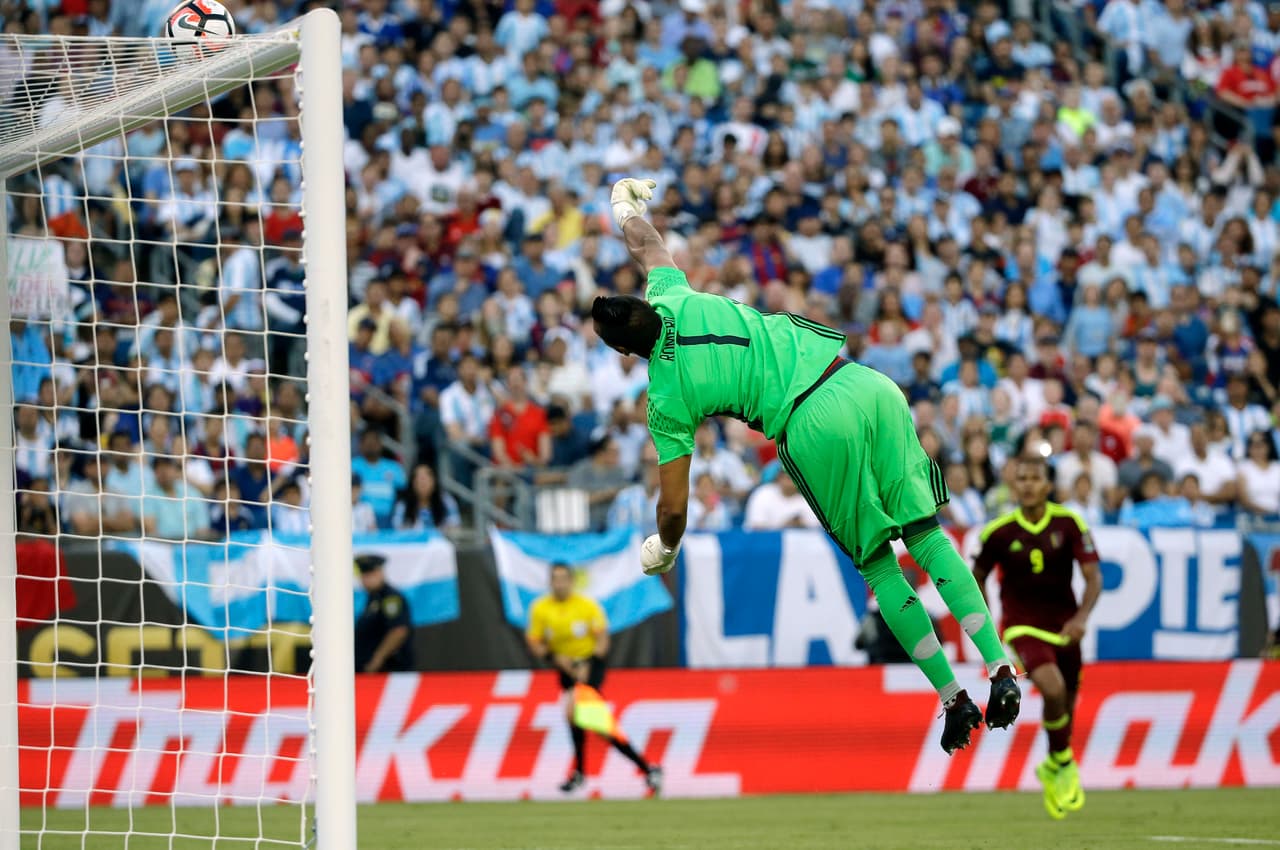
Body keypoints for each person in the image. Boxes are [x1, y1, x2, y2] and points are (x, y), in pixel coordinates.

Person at [596, 178, 1019, 756]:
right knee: (926, 535)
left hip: (811, 424)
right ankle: (998, 667)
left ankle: (952, 698)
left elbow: (672, 506)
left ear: (625, 352)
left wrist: (665, 548)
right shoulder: (675, 293)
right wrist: (624, 205)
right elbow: (647, 245)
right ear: (648, 302)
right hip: (863, 382)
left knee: (878, 567)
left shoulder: (665, 395)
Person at [972, 456, 1101, 820]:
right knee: (1053, 688)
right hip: (1021, 625)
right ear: (1014, 486)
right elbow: (974, 578)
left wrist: (1081, 617)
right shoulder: (997, 532)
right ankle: (1062, 760)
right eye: (1022, 478)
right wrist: (985, 623)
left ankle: (1053, 765)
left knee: (1066, 704)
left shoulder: (1069, 523)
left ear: (1047, 485)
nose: (1028, 484)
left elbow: (1093, 577)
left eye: (1035, 478)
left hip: (1064, 625)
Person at [524, 563, 662, 795]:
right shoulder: (540, 608)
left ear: (571, 581)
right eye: (555, 579)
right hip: (564, 667)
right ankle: (648, 769)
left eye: (563, 579)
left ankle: (582, 773)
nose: (559, 584)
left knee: (574, 712)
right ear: (550, 582)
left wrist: (588, 664)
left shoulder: (586, 606)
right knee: (595, 725)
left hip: (590, 665)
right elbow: (535, 642)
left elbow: (602, 640)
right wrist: (555, 657)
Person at [353, 553, 413, 674]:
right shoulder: (373, 598)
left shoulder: (390, 598)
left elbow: (398, 630)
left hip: (388, 669)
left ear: (380, 573)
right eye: (364, 576)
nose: (366, 580)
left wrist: (377, 659)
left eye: (370, 575)